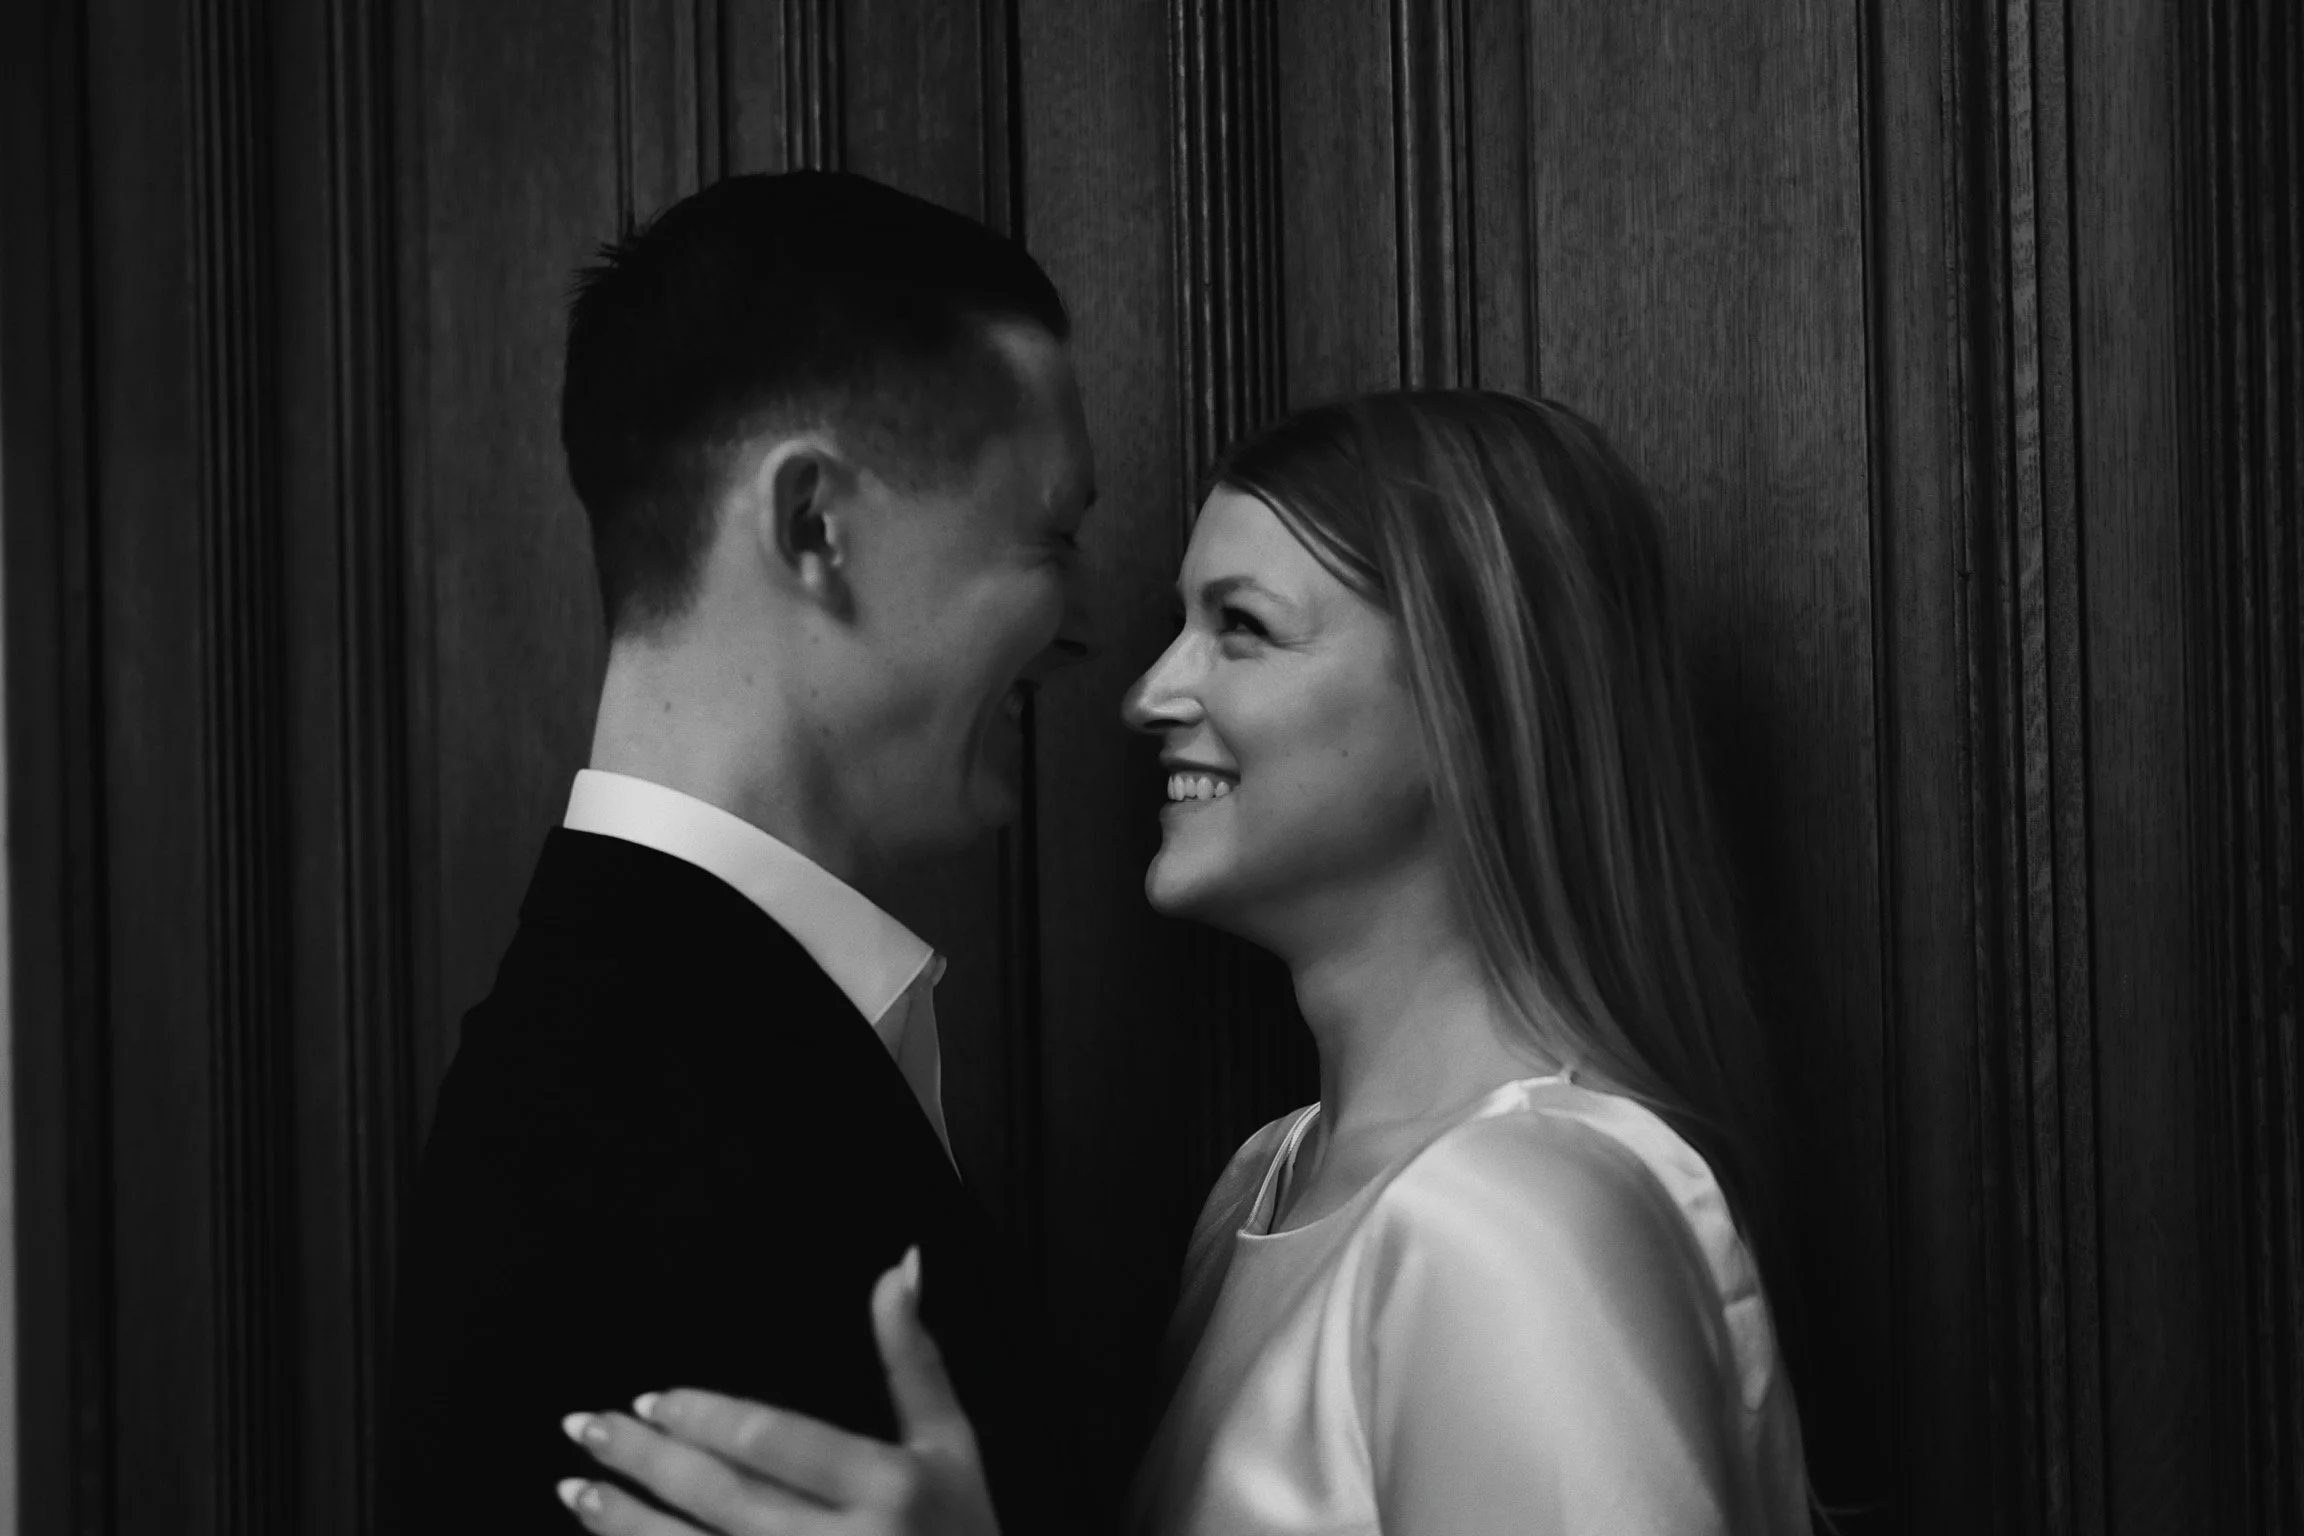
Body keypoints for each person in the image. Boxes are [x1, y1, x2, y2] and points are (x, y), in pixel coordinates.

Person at [549, 389, 1818, 1534]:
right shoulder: (1262, 1187)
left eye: (1243, 629)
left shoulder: (1522, 1218)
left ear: (1474, 705)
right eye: (1177, 626)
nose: (1151, 691)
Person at [381, 169, 1097, 1534]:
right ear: (814, 526)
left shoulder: (662, 1027)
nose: (1079, 634)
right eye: (1049, 537)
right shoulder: (634, 1109)